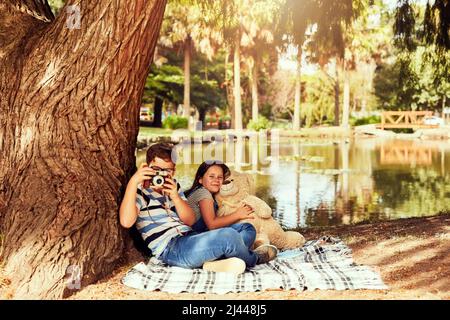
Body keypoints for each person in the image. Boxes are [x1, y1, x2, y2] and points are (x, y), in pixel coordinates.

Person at [119, 143, 277, 274]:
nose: (162, 175)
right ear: (147, 167)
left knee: (246, 228)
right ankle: (254, 258)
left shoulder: (174, 186)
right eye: (157, 169)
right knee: (228, 235)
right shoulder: (138, 191)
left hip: (190, 237)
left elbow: (190, 220)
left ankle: (213, 263)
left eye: (168, 171)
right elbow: (126, 221)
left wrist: (175, 196)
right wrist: (134, 181)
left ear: (173, 170)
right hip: (171, 249)